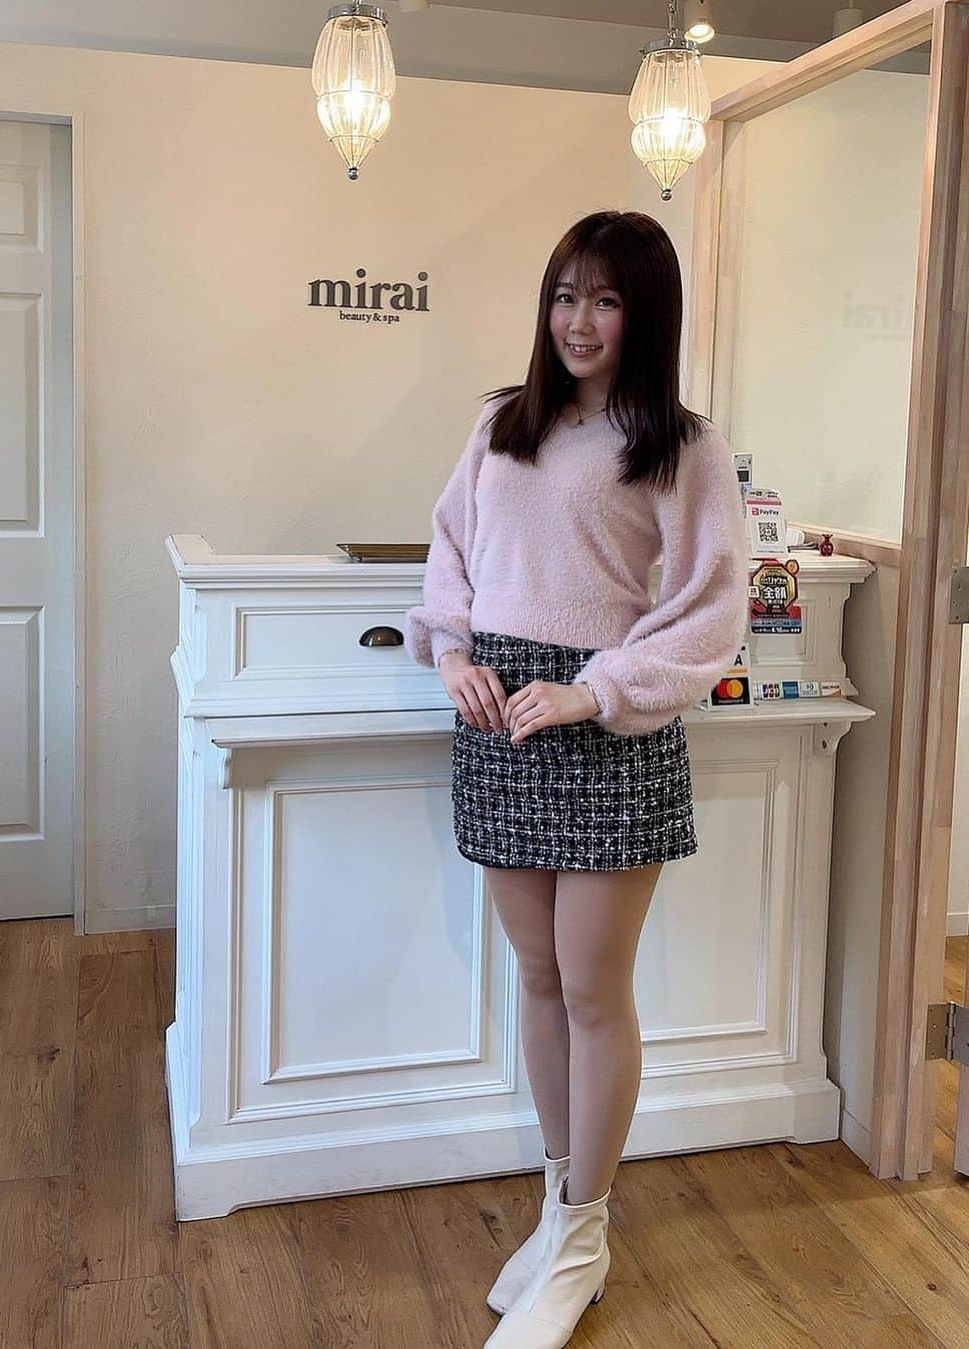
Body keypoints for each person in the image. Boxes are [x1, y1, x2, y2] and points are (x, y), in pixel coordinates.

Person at [402, 209, 750, 1349]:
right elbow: (451, 549)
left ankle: (587, 1231)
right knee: (541, 977)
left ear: (647, 313)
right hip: (500, 720)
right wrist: (452, 653)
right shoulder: (503, 422)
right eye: (565, 295)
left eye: (606, 299)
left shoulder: (682, 447)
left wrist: (592, 690)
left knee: (596, 990)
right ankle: (560, 1214)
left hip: (608, 730)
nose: (580, 321)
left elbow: (711, 612)